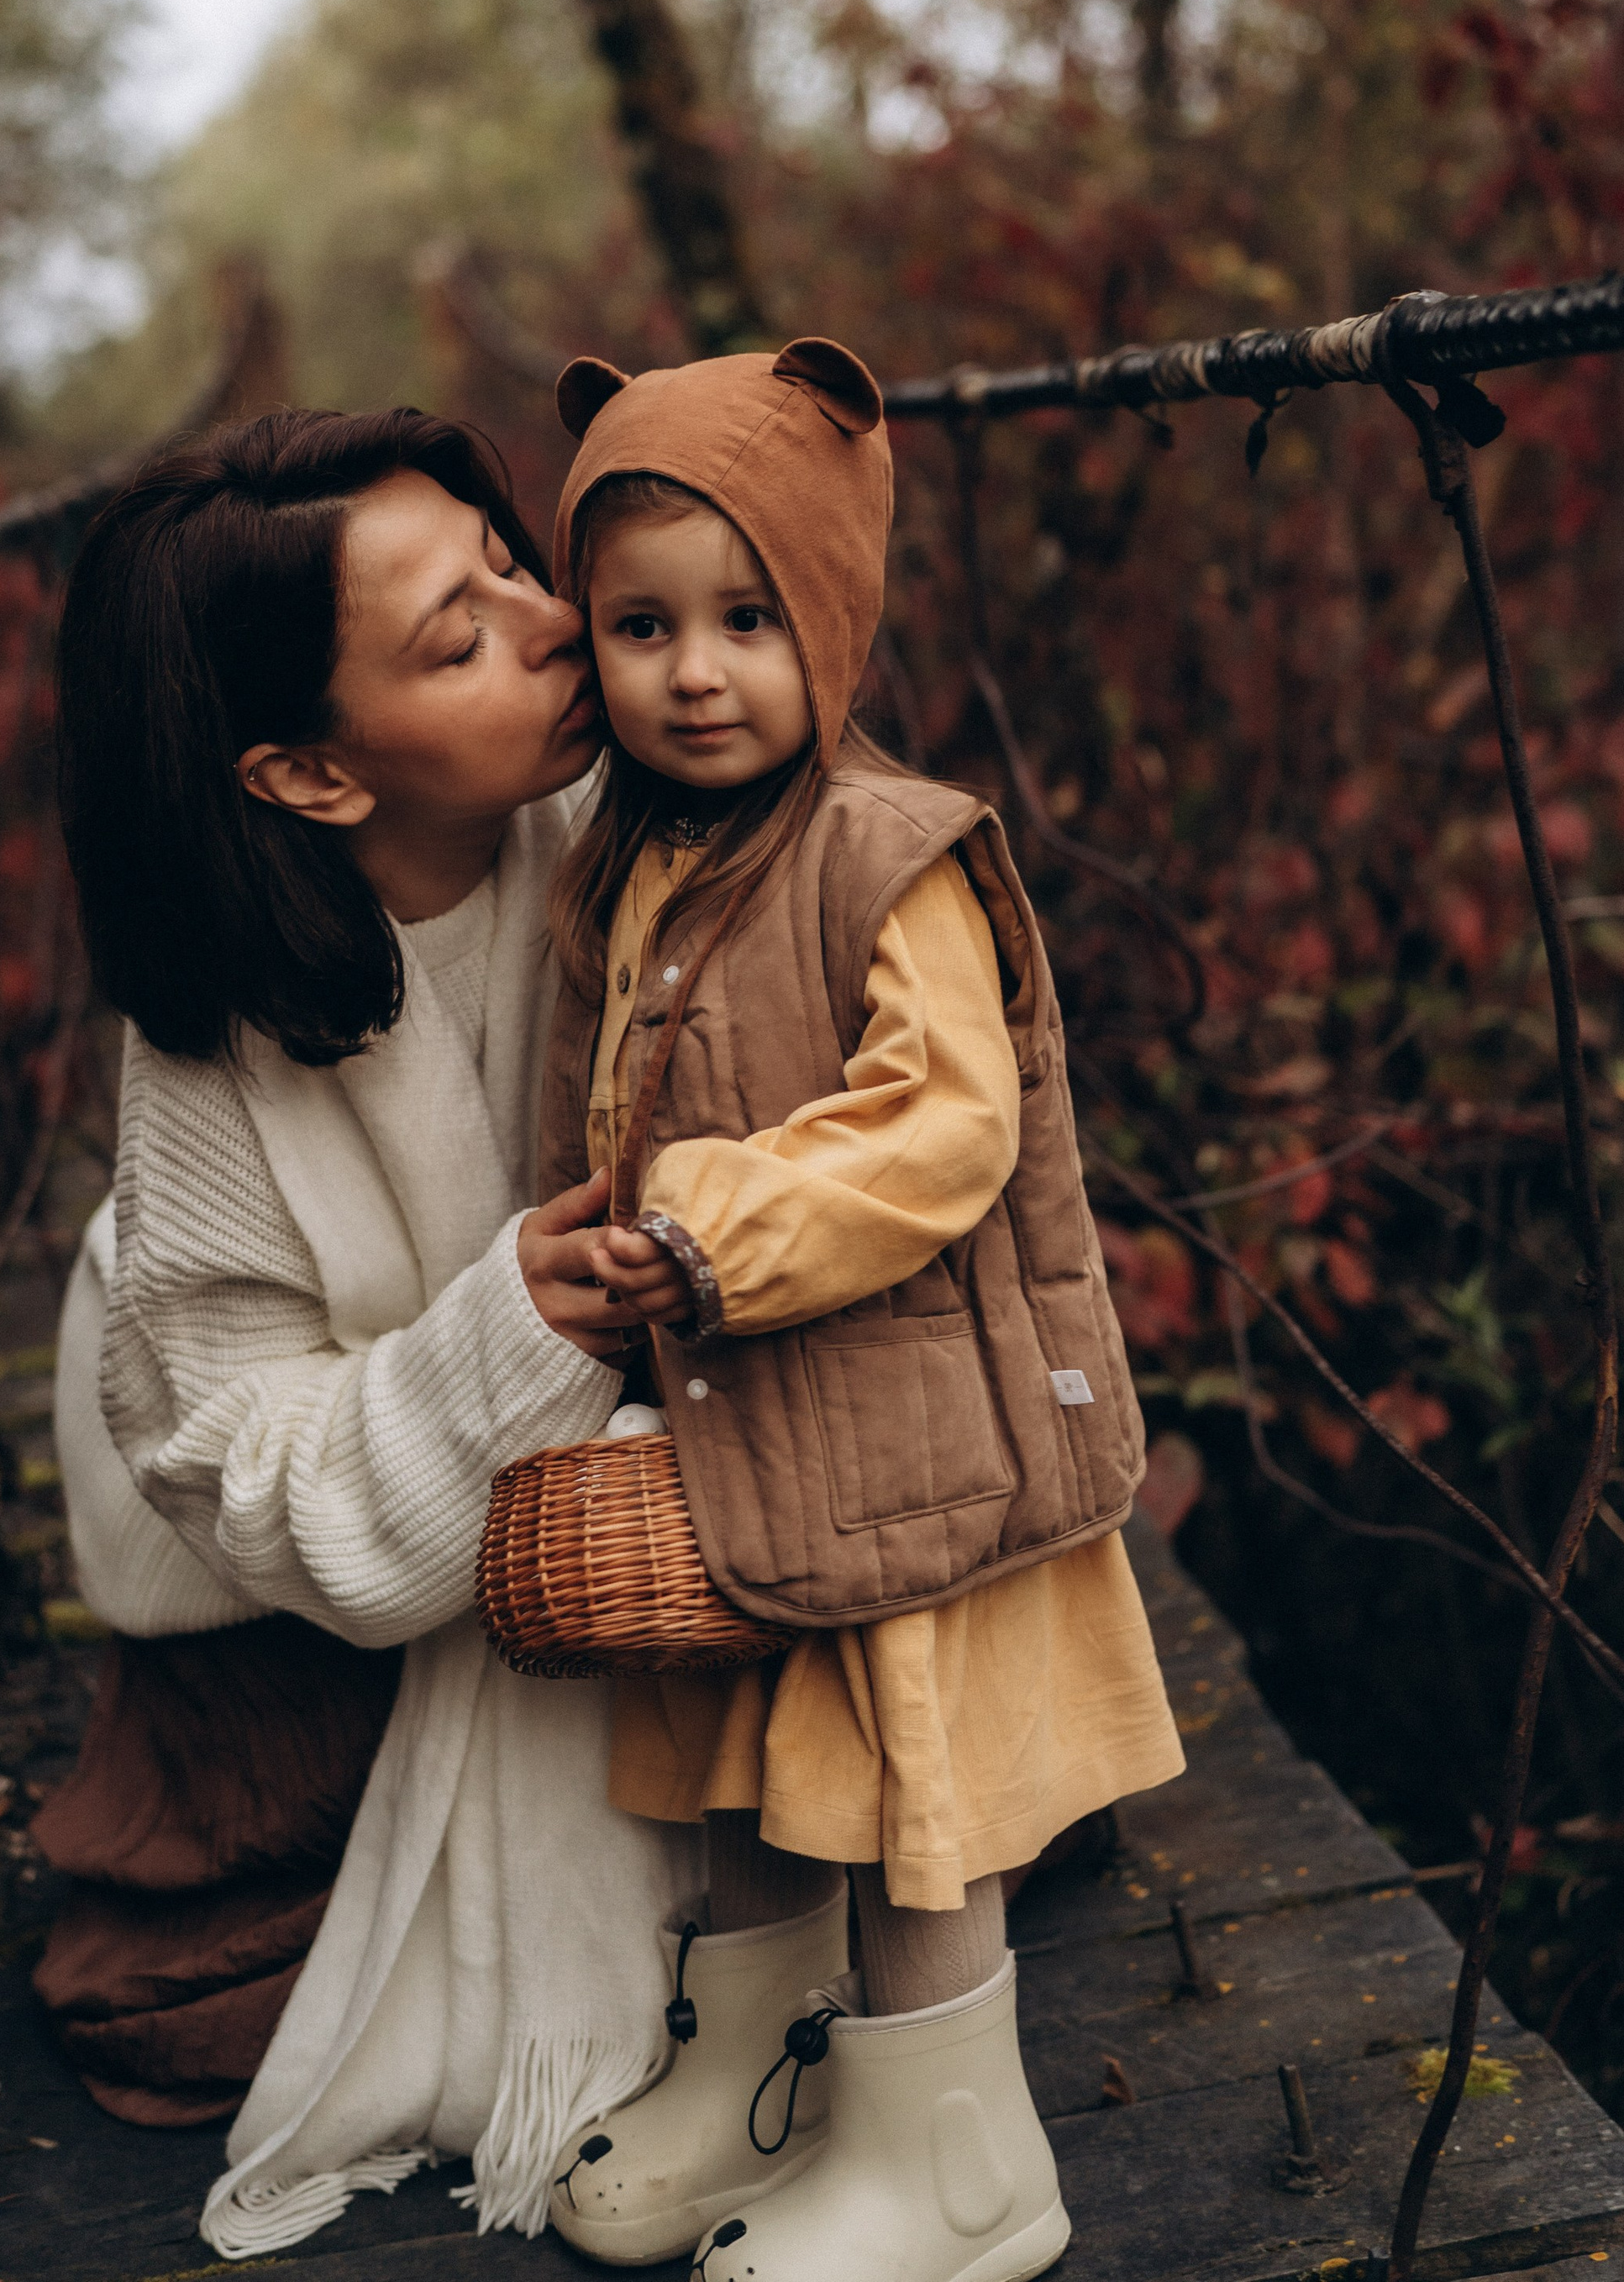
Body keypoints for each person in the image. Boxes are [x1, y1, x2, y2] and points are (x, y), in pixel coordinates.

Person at [534, 338, 1185, 2282]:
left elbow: (941, 1127)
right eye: (638, 624)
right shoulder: (639, 859)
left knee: (917, 1800)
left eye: (747, 616)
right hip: (747, 1440)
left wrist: (714, 1223)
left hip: (907, 1438)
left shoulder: (886, 850)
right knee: (743, 1769)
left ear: (830, 613)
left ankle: (957, 2165)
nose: (693, 669)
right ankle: (764, 2081)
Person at [35, 407, 696, 2256]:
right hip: (304, 1600)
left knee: (943, 1785)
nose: (555, 621)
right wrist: (512, 1335)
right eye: (459, 636)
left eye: (505, 556)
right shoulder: (206, 1054)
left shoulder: (642, 809)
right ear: (312, 776)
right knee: (188, 2003)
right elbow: (235, 1465)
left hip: (640, 1504)